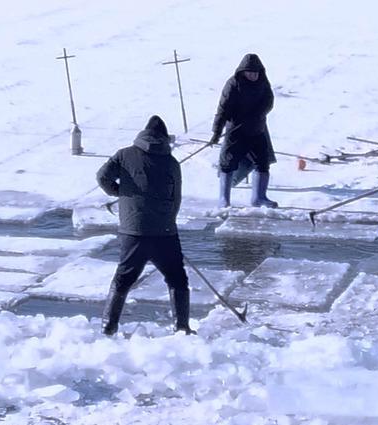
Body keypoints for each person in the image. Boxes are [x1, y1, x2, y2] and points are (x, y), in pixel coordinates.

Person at [96, 115, 194, 336]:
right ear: (164, 138)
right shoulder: (171, 162)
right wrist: (168, 223)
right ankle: (182, 327)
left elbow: (102, 177)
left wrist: (119, 192)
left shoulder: (124, 155)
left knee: (123, 279)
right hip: (164, 233)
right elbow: (175, 199)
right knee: (177, 279)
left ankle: (108, 326)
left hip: (133, 232)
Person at [210, 53, 278, 208]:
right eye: (250, 73)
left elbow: (269, 101)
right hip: (236, 131)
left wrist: (258, 114)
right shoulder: (233, 84)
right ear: (243, 72)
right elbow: (223, 109)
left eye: (256, 73)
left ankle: (259, 197)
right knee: (228, 163)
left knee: (262, 163)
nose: (253, 75)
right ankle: (224, 199)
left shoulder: (263, 82)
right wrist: (217, 132)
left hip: (257, 130)